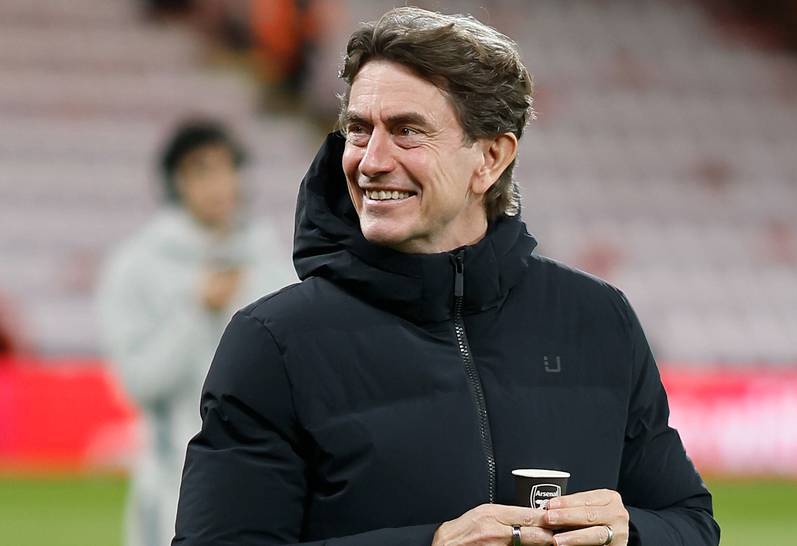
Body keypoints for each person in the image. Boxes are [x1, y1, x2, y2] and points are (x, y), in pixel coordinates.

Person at [174, 8, 719, 546]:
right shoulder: (274, 341)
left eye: (407, 131)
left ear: (490, 158)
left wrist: (631, 533)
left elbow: (691, 523)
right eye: (359, 130)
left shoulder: (597, 319)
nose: (370, 161)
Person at [97, 119, 294, 546]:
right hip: (174, 480)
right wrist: (196, 310)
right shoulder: (137, 266)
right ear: (175, 182)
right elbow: (138, 382)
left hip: (266, 473)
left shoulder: (270, 259)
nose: (219, 183)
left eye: (228, 168)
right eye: (201, 170)